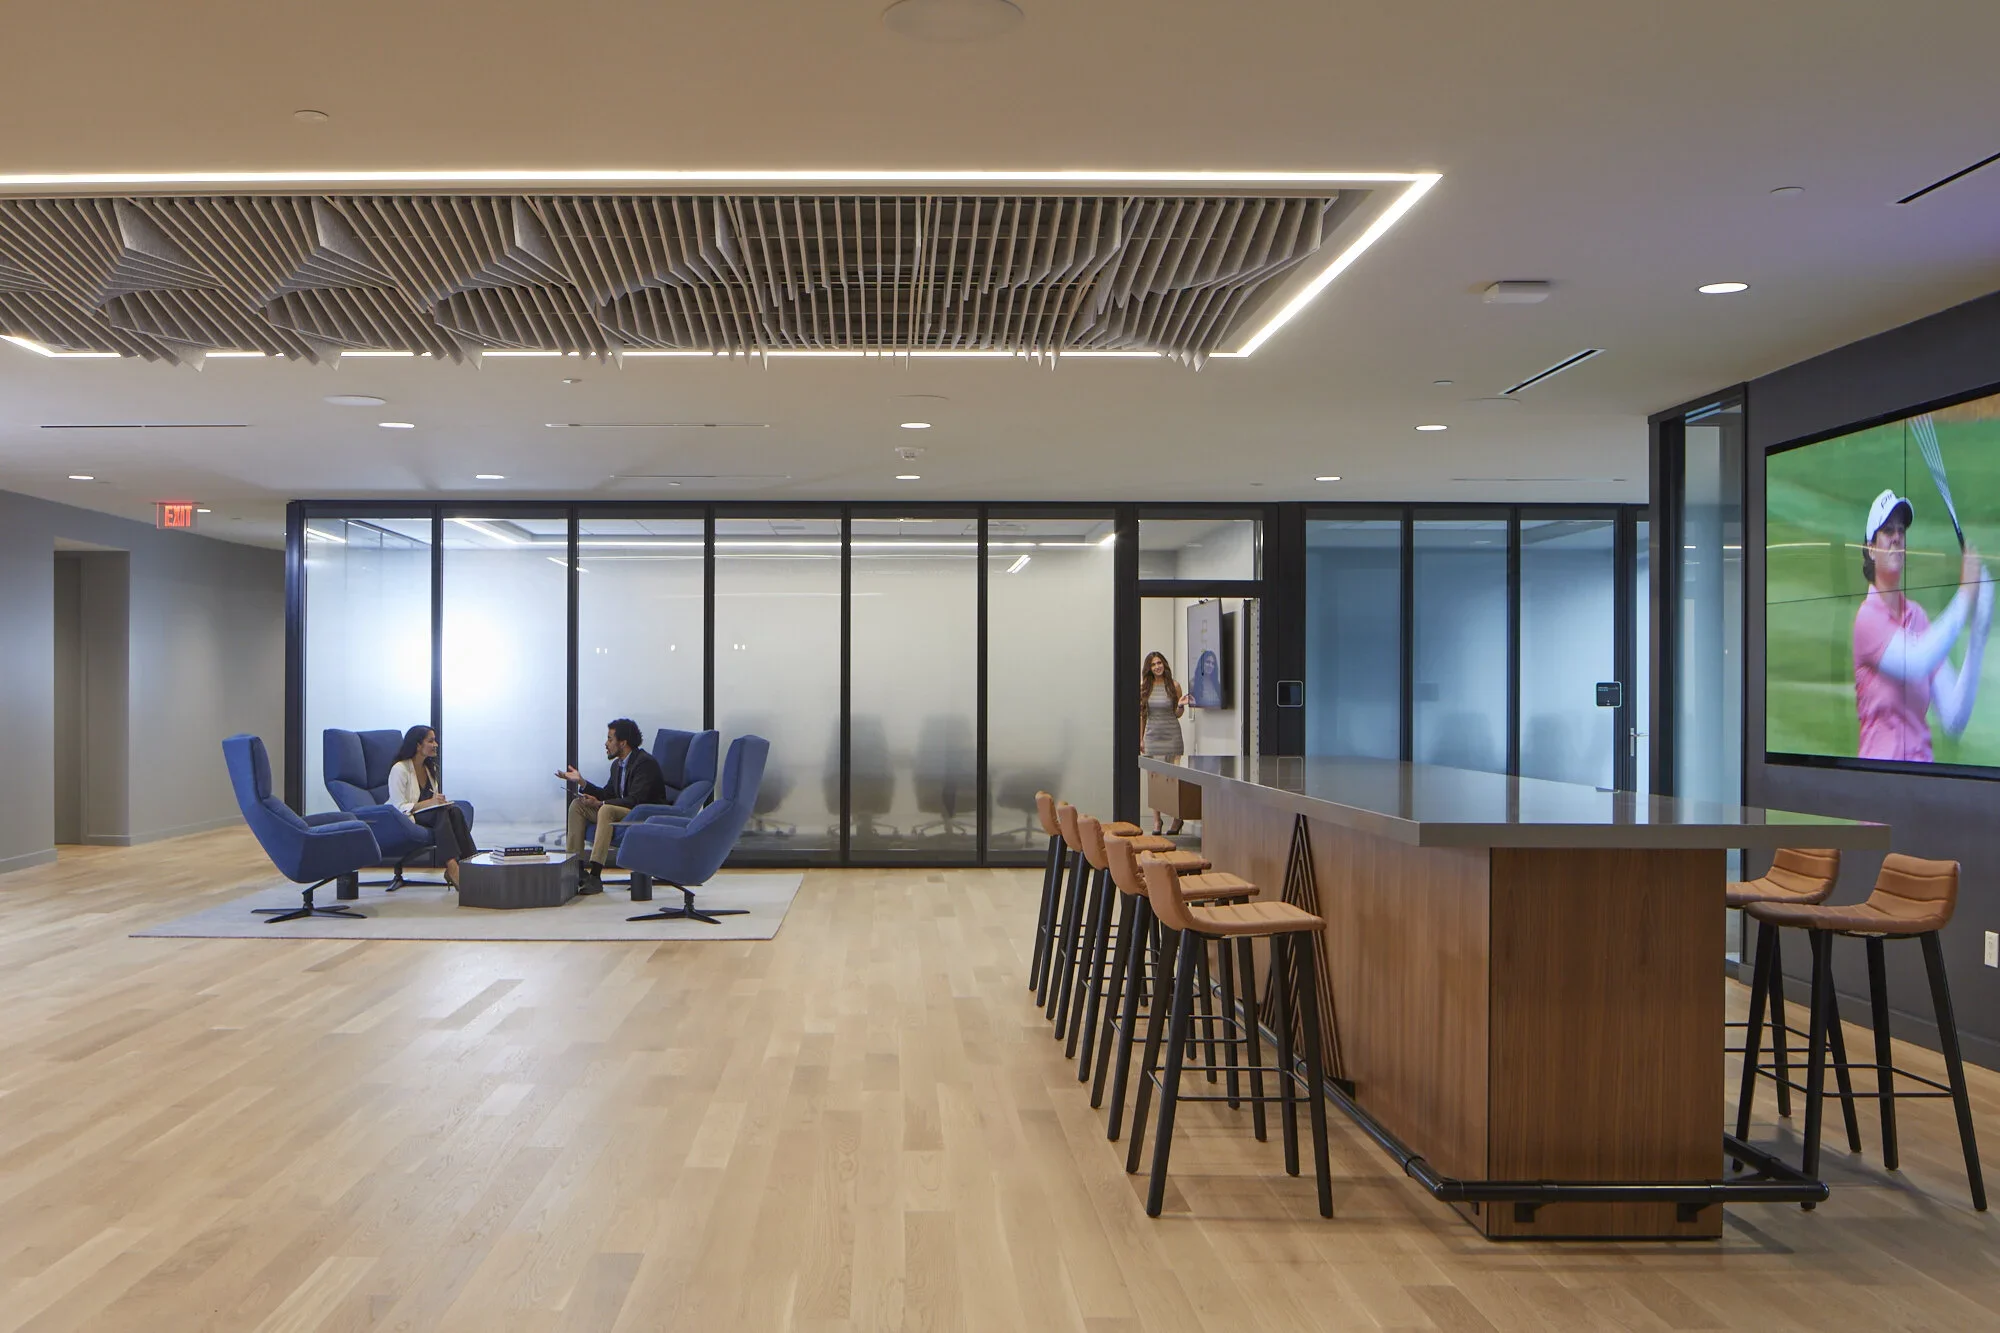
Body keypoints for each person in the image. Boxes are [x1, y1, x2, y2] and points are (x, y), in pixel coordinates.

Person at [1853, 488, 1993, 762]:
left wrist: (1979, 630)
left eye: (1901, 531)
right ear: (1871, 549)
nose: (1896, 537)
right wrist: (1965, 595)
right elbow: (1916, 660)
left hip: (1920, 785)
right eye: (1887, 530)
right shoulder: (1866, 620)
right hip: (1878, 787)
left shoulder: (1917, 618)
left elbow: (1953, 719)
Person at [558, 718, 667, 893]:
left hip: (642, 813)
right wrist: (582, 782)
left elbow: (636, 799)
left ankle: (595, 875)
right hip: (622, 811)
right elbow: (609, 793)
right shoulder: (617, 765)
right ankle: (576, 869)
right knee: (577, 805)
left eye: (610, 739)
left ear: (623, 743)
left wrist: (601, 803)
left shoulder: (645, 763)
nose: (606, 744)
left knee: (606, 809)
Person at [386, 725, 475, 888]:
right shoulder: (399, 769)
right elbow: (397, 807)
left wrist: (437, 801)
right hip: (404, 819)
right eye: (431, 741)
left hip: (429, 816)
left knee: (454, 811)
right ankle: (453, 868)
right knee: (441, 814)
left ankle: (471, 865)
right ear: (418, 745)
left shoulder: (430, 768)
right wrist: (429, 803)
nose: (436, 745)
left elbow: (431, 802)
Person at [1140, 651, 1193, 835]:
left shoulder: (1174, 685)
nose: (1157, 667)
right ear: (1149, 668)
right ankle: (1156, 821)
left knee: (1174, 779)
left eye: (1159, 663)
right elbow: (1143, 716)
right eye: (1153, 664)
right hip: (1153, 736)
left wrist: (1180, 705)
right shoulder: (1145, 687)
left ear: (1165, 664)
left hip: (1172, 736)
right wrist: (1141, 738)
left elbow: (1177, 714)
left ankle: (1177, 819)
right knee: (1155, 779)